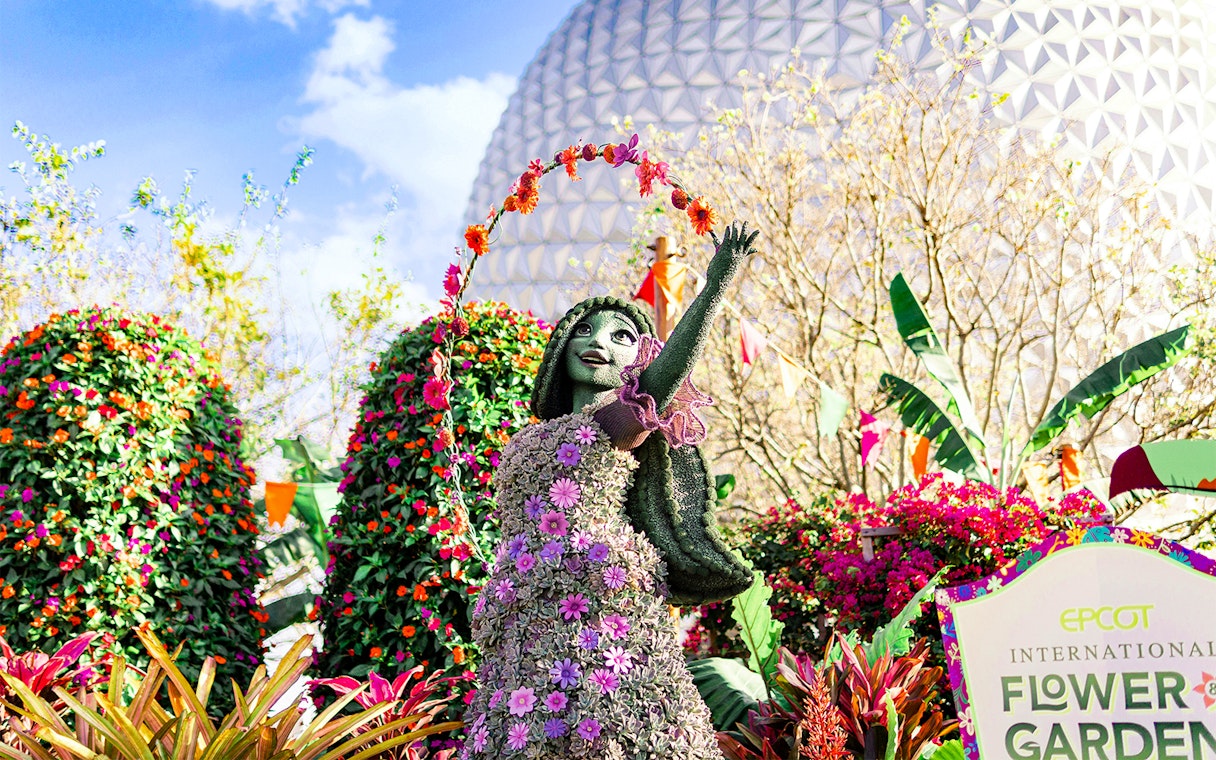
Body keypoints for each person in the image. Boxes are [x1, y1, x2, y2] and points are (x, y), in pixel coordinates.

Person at [461, 222, 759, 759]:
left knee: (604, 729)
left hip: (599, 601)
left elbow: (663, 379)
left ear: (638, 358)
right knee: (525, 727)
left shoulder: (614, 423)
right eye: (587, 330)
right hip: (522, 605)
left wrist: (712, 289)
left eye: (622, 335)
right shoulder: (529, 436)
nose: (599, 342)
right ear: (562, 344)